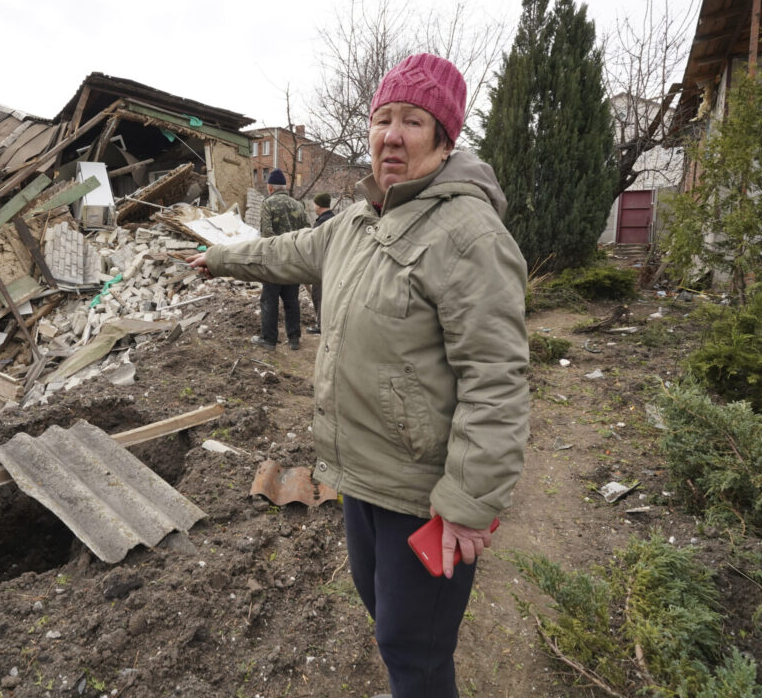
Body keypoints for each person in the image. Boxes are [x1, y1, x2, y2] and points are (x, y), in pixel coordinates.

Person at [190, 53, 528, 697]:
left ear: (444, 137)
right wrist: (219, 257)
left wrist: (464, 504)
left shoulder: (468, 233)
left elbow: (497, 380)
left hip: (422, 491)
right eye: (382, 119)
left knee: (415, 648)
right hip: (362, 474)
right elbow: (283, 252)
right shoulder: (356, 221)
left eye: (413, 122)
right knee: (388, 621)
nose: (391, 136)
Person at [254, 168, 311, 350]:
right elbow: (308, 232)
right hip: (293, 260)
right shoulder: (298, 205)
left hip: (274, 260)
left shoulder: (268, 204)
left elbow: (267, 234)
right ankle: (294, 339)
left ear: (270, 188)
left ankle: (269, 340)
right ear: (284, 188)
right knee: (291, 300)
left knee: (269, 300)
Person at [305, 192, 335, 334]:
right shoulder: (336, 219)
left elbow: (314, 246)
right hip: (334, 264)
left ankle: (321, 325)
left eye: (314, 203)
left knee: (319, 295)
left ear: (319, 204)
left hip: (322, 266)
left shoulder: (321, 223)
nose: (313, 206)